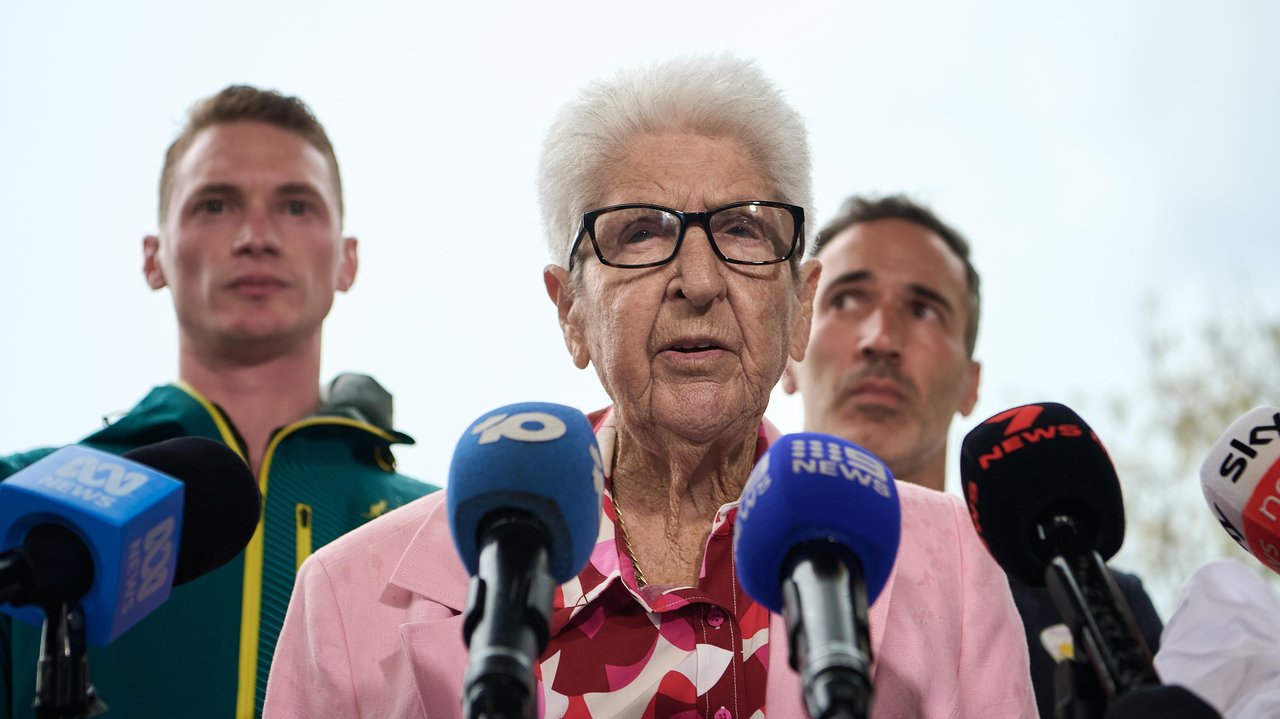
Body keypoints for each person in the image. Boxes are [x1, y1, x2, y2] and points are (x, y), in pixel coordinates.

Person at [264, 56, 1036, 718]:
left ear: (799, 308)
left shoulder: (956, 562)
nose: (698, 280)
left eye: (743, 229)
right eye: (640, 232)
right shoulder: (346, 596)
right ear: (570, 310)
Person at [0, 86, 435, 719]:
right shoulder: (20, 500)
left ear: (347, 261)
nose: (256, 237)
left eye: (295, 205)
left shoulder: (447, 533)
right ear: (154, 257)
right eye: (215, 205)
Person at [781, 194, 1161, 718]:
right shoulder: (706, 577)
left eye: (923, 310)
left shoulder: (1098, 612)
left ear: (971, 384)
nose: (881, 339)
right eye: (845, 300)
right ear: (790, 351)